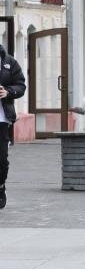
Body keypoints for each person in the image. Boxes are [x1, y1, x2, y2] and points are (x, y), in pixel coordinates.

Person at [0, 42, 25, 210]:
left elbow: (21, 85)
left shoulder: (9, 62)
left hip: (1, 119)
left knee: (1, 158)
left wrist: (8, 92)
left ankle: (0, 186)